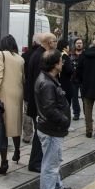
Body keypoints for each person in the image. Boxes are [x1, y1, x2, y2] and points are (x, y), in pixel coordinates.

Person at [35, 49, 72, 189]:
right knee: (50, 163)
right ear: (55, 64)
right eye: (60, 61)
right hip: (51, 129)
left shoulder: (48, 79)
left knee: (54, 159)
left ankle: (56, 187)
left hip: (51, 128)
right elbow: (50, 109)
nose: (62, 63)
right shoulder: (47, 83)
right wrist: (64, 120)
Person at [0, 34, 25, 175]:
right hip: (17, 96)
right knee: (15, 125)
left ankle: (4, 162)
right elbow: (23, 79)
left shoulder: (0, 55)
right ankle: (17, 151)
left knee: (1, 128)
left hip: (4, 96)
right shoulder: (20, 59)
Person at [27, 32, 57, 172]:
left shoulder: (37, 54)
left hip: (35, 102)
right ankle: (35, 162)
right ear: (49, 43)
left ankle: (36, 161)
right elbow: (41, 83)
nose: (56, 44)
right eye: (55, 41)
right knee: (40, 134)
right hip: (38, 104)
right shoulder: (41, 57)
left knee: (40, 133)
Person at [21, 33, 40, 144]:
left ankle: (27, 135)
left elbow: (23, 75)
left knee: (27, 113)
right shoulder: (44, 54)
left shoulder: (26, 55)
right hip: (39, 90)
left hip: (28, 89)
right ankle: (38, 133)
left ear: (33, 42)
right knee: (38, 113)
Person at [69, 37, 84, 120]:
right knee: (74, 98)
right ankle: (76, 113)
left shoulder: (85, 55)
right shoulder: (70, 55)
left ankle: (87, 113)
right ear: (75, 44)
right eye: (77, 43)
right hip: (73, 80)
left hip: (83, 80)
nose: (79, 44)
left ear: (82, 44)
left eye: (80, 43)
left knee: (85, 98)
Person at [57, 39, 74, 107]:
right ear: (65, 47)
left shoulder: (57, 54)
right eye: (68, 46)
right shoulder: (65, 56)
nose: (69, 47)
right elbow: (69, 70)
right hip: (65, 83)